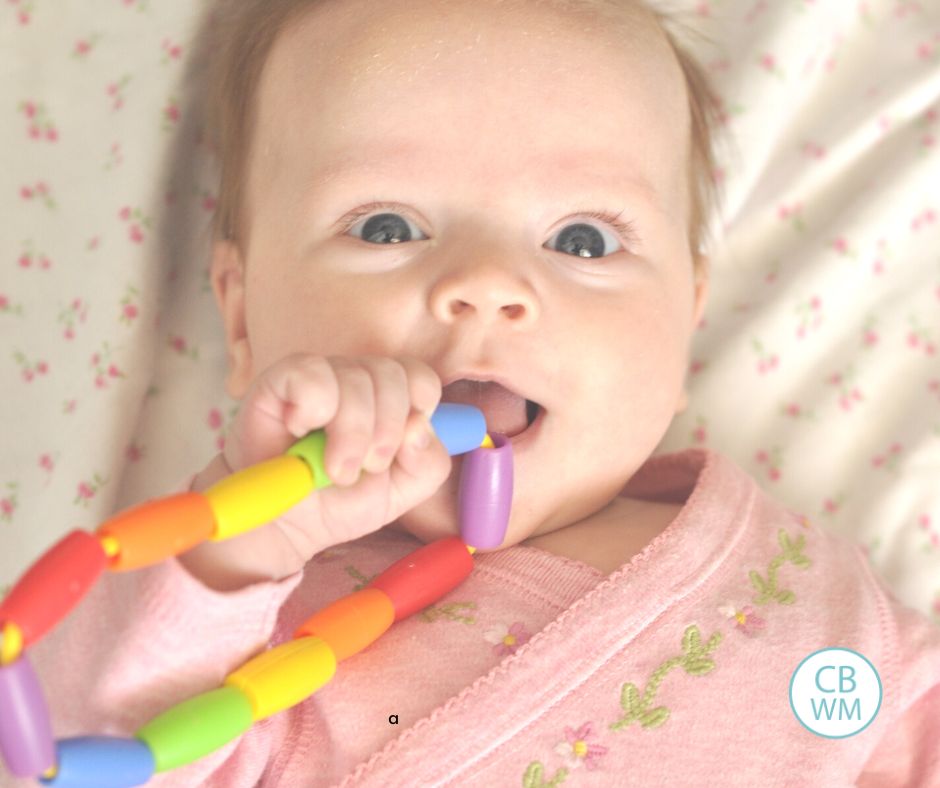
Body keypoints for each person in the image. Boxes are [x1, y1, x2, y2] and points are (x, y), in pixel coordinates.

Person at [10, 0, 939, 785]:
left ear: (685, 320)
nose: (487, 283)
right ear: (243, 316)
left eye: (582, 240)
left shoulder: (816, 603)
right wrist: (247, 539)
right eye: (385, 225)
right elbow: (68, 754)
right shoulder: (246, 612)